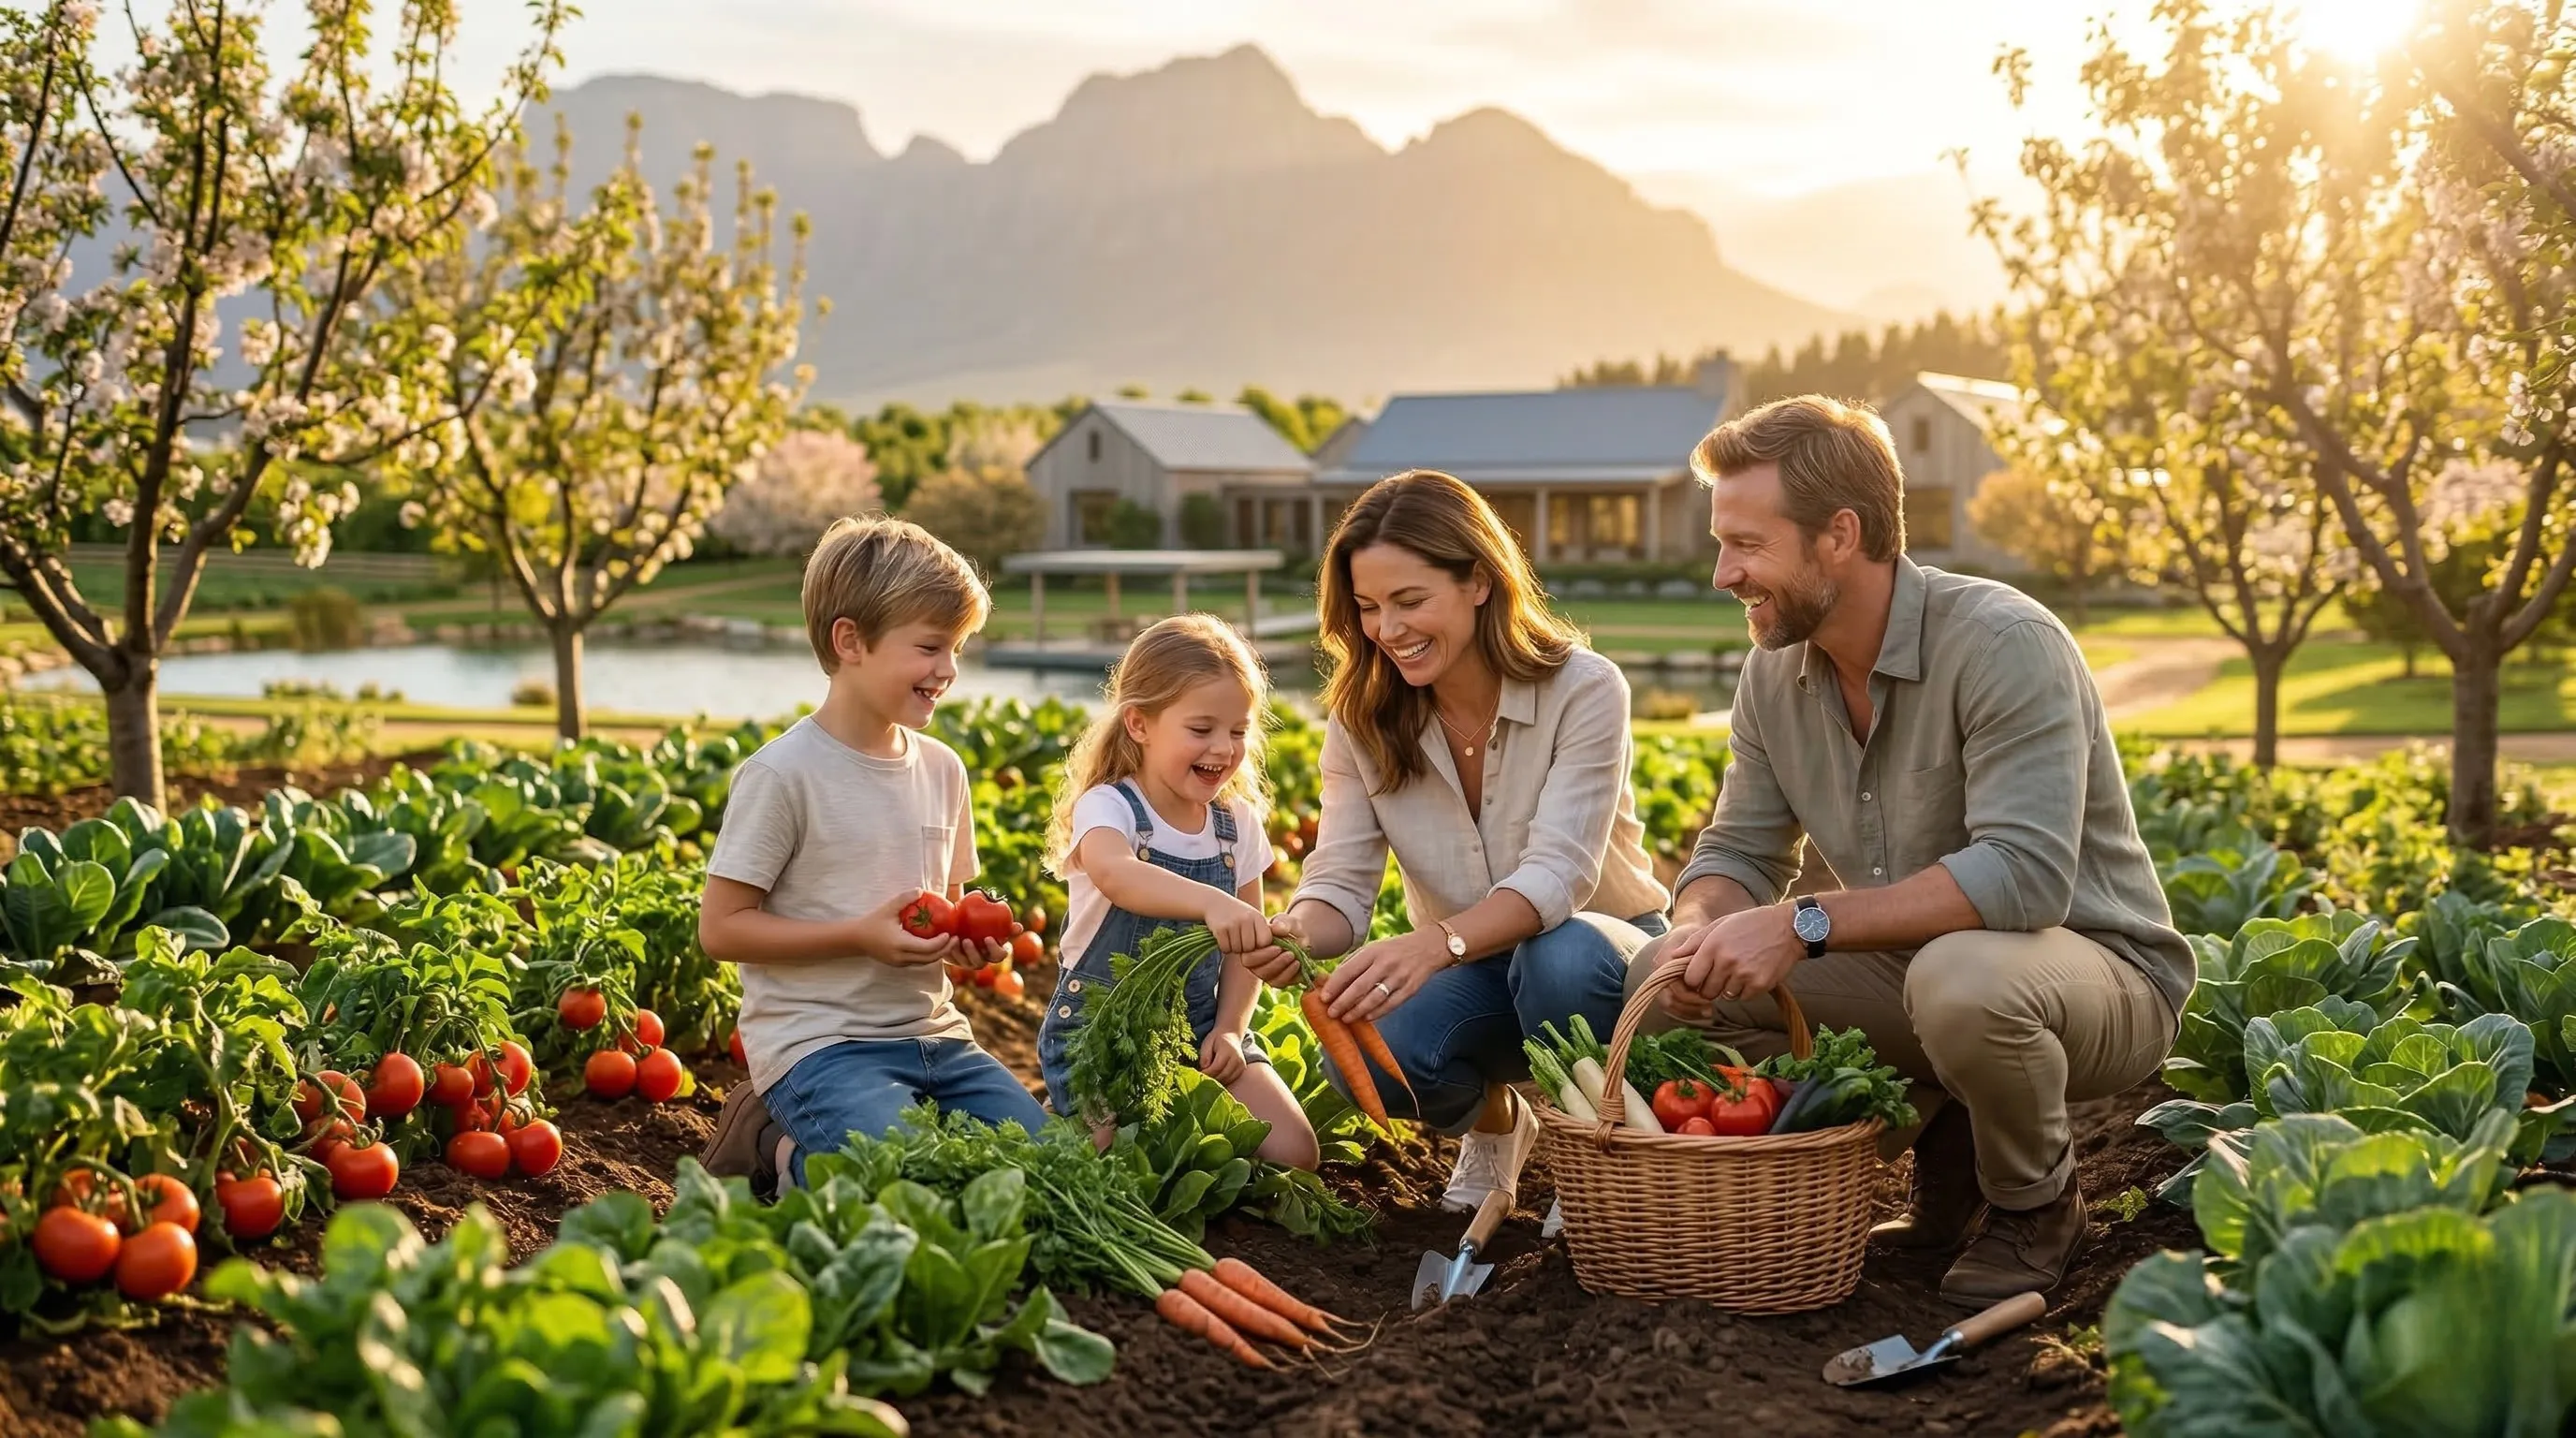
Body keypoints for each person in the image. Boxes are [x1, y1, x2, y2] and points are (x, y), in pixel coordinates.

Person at [1632, 396, 2190, 1307]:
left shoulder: (2005, 643)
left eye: (1745, 543)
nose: (1723, 572)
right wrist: (1699, 929)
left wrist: (1805, 922)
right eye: (1719, 543)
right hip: (1921, 967)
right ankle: (1879, 1173)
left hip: (2098, 974)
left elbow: (2024, 875)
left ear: (1838, 535)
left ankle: (2034, 1208)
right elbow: (1738, 848)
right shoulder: (1774, 672)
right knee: (1660, 981)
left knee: (1962, 982)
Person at [1250, 470, 1670, 1213]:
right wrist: (1292, 931)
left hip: (1608, 963)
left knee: (1559, 953)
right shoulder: (1364, 721)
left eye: (1411, 601)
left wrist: (1431, 945)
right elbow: (1341, 886)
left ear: (1479, 581)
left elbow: (1558, 879)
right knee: (1364, 1052)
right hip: (1479, 974)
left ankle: (1600, 1147)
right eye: (1369, 607)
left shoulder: (1584, 688)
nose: (1388, 630)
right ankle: (1502, 1124)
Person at [697, 516, 1046, 1188]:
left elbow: (938, 912)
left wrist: (967, 941)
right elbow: (722, 929)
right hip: (820, 1047)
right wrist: (859, 937)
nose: (947, 670)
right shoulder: (783, 775)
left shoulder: (943, 769)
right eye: (930, 647)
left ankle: (818, 1150)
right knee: (912, 1185)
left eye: (957, 650)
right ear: (850, 641)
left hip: (936, 1036)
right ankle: (775, 1148)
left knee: (1040, 1174)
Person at [1034, 614, 1321, 1169]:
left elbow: (1244, 958)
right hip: (1099, 1032)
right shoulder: (1110, 807)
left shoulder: (1236, 824)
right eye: (1201, 729)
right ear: (1139, 724)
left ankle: (1169, 1107)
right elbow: (1118, 875)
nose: (1223, 748)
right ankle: (1057, 1109)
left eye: (1238, 731)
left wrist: (1233, 1031)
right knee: (1110, 1157)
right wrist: (1212, 902)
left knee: (1295, 1152)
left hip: (1201, 1027)